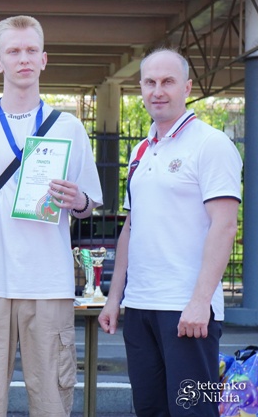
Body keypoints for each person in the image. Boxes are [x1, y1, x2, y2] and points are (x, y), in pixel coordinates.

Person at [0, 16, 103, 416]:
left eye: (31, 50)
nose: (23, 59)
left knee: (51, 402)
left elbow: (89, 205)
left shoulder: (69, 127)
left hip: (48, 282)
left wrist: (77, 199)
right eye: (13, 51)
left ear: (44, 59)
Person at [98, 48, 242, 417]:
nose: (157, 91)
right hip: (140, 306)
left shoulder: (211, 144)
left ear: (187, 87)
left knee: (193, 412)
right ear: (141, 88)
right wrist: (115, 298)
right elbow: (131, 227)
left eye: (167, 82)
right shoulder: (141, 150)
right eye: (150, 82)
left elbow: (225, 225)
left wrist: (200, 302)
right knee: (149, 410)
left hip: (187, 310)